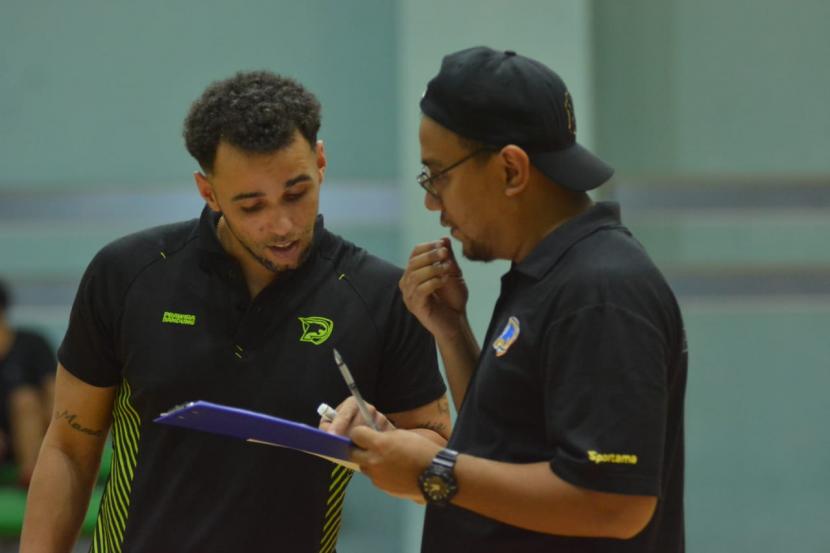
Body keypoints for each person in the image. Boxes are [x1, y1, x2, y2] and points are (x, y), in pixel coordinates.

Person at [20, 71, 450, 553]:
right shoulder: (127, 274)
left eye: (296, 192)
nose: (282, 225)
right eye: (251, 206)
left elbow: (440, 473)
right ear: (209, 192)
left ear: (321, 162)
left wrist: (387, 442)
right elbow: (70, 450)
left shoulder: (381, 296)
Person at [336, 47, 688, 552]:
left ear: (511, 171)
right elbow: (508, 443)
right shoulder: (547, 273)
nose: (432, 201)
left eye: (438, 175)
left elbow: (615, 503)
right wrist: (451, 331)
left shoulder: (601, 290)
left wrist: (433, 472)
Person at [0, 280, 55, 486]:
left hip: (35, 435)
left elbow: (55, 395)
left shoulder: (33, 344)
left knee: (24, 400)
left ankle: (31, 473)